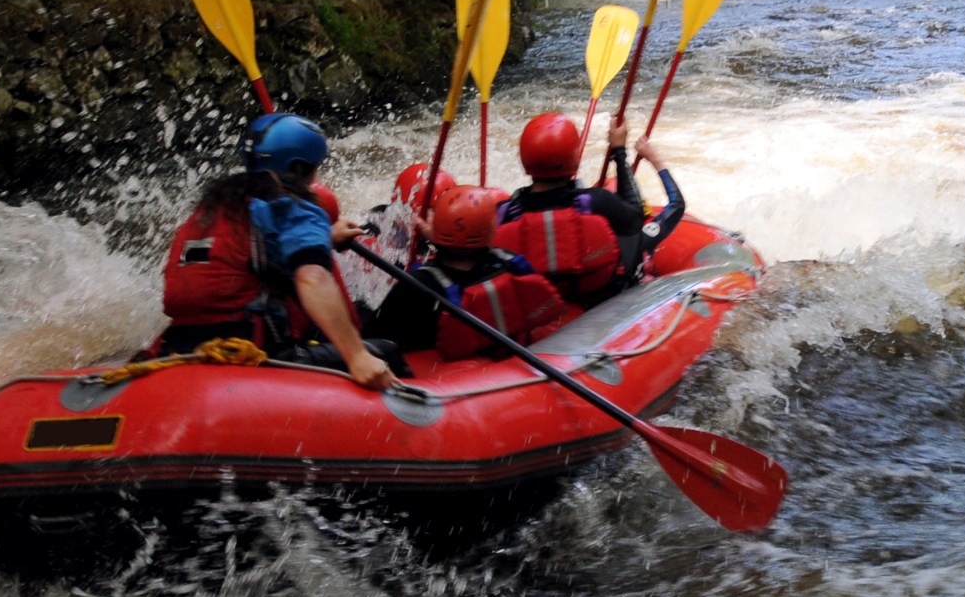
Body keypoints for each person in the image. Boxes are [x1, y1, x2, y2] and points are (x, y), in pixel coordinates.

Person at [156, 113, 403, 389]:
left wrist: (324, 238)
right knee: (387, 351)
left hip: (179, 347)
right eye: (313, 167)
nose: (315, 175)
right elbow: (311, 277)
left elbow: (249, 256)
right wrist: (357, 356)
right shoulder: (292, 207)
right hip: (251, 350)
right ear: (298, 167)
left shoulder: (212, 209)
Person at [499, 112, 682, 307]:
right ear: (574, 160)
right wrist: (619, 152)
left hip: (541, 308)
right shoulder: (594, 201)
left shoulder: (505, 212)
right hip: (598, 299)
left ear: (524, 160)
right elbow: (635, 219)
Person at [365, 187, 574, 358]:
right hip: (506, 361)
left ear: (437, 228)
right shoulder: (511, 263)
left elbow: (373, 340)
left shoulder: (417, 285)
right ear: (491, 230)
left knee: (362, 308)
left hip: (442, 380)